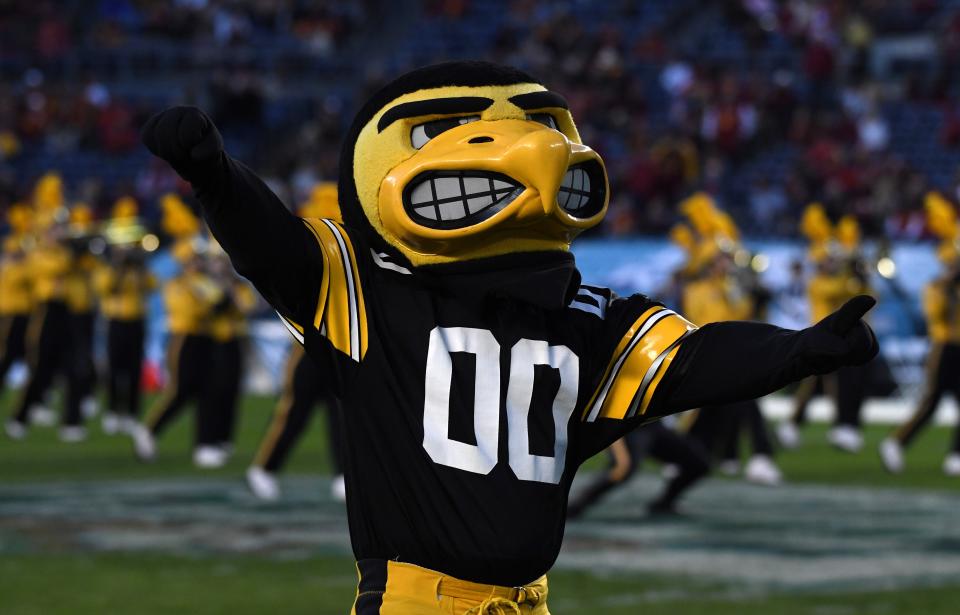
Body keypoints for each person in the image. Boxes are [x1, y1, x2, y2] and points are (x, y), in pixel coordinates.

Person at [143, 61, 876, 614]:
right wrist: (218, 179)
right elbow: (276, 248)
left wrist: (796, 349)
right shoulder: (374, 290)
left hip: (530, 602)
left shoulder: (580, 312)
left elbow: (692, 358)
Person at [880, 195, 960, 476]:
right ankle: (895, 442)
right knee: (932, 402)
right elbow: (938, 316)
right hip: (944, 347)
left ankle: (955, 456)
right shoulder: (936, 287)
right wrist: (950, 289)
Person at [130, 240, 220, 463]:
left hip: (205, 338)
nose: (199, 262)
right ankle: (149, 429)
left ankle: (204, 445)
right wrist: (210, 306)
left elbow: (220, 303)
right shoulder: (176, 284)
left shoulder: (203, 282)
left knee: (208, 391)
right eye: (194, 258)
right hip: (185, 339)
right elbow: (190, 311)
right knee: (181, 390)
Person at [247, 344, 346, 501]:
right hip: (309, 348)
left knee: (342, 415)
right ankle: (264, 469)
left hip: (343, 354)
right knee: (294, 415)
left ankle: (344, 475)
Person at [95, 198, 157, 434]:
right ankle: (112, 411)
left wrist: (138, 266)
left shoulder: (140, 268)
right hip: (115, 320)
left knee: (133, 368)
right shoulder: (109, 268)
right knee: (114, 368)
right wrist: (118, 266)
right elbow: (105, 288)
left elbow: (151, 286)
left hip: (137, 320)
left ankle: (131, 412)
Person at [0, 205, 35, 408]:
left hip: (25, 308)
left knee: (26, 355)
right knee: (6, 355)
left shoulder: (24, 244)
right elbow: (15, 276)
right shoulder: (14, 244)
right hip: (10, 309)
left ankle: (30, 400)